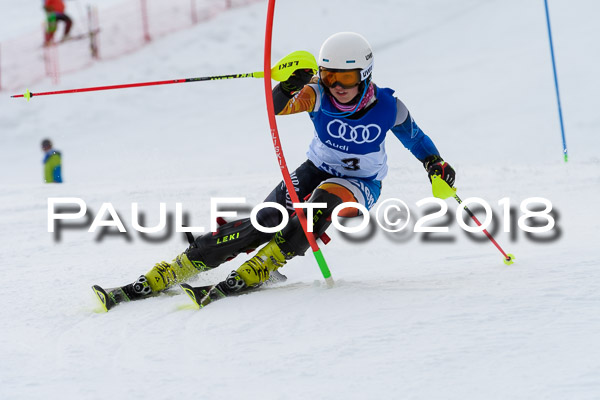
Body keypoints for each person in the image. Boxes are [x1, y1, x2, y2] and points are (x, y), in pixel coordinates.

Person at [92, 32, 456, 311]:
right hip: (315, 167)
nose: (337, 87)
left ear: (365, 74)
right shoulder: (318, 94)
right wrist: (287, 86)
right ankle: (183, 265)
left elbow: (417, 139)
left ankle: (268, 263)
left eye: (345, 78)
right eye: (329, 76)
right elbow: (276, 108)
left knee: (320, 205)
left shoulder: (388, 106)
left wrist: (434, 164)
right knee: (265, 219)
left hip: (360, 183)